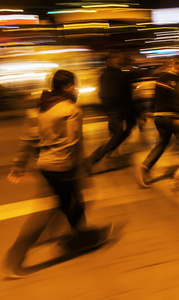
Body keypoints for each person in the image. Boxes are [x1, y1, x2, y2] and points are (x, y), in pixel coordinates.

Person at [3, 70, 112, 279]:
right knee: (56, 208)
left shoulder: (41, 106)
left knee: (71, 202)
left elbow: (27, 138)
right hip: (63, 166)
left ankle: (81, 236)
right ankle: (16, 256)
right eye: (75, 85)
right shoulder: (71, 109)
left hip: (45, 165)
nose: (77, 89)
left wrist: (19, 166)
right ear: (68, 86)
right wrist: (80, 168)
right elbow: (72, 143)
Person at [136, 57, 179, 187]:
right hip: (172, 117)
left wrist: (149, 112)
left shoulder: (160, 78)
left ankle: (146, 166)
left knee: (162, 142)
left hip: (159, 117)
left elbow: (155, 97)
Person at [85, 51, 138, 172]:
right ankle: (93, 158)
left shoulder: (109, 74)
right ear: (109, 61)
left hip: (118, 109)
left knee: (124, 128)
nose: (118, 60)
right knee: (118, 134)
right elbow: (122, 94)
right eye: (115, 58)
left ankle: (110, 148)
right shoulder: (114, 74)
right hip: (118, 109)